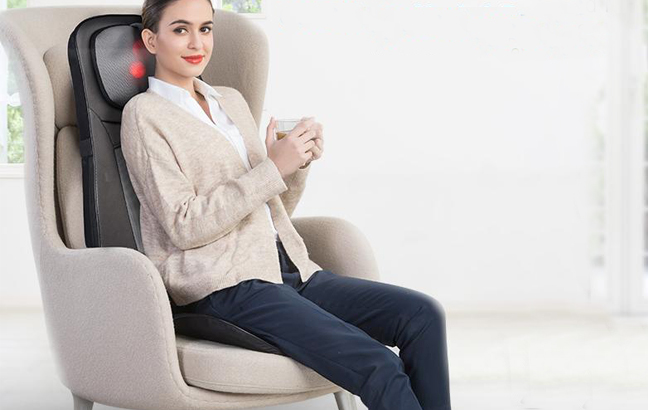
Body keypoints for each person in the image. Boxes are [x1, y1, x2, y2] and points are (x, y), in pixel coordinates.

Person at [120, 1, 452, 409]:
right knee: (377, 363)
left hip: (290, 269)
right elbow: (184, 226)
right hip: (225, 284)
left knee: (422, 316)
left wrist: (293, 167)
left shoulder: (230, 102)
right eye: (180, 29)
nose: (196, 42)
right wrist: (270, 168)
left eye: (205, 29)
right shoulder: (145, 114)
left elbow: (271, 210)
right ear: (152, 39)